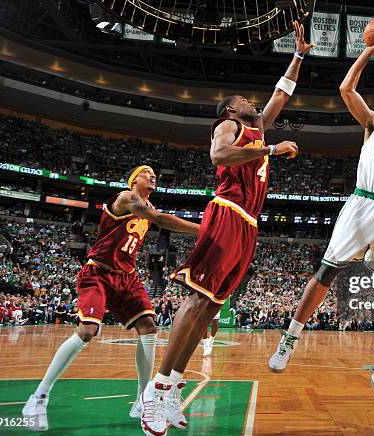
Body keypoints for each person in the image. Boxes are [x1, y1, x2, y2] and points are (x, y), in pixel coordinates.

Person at [139, 20, 313, 436]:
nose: (254, 101)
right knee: (197, 301)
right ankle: (155, 391)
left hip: (249, 225)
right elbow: (219, 156)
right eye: (244, 99)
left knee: (212, 308)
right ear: (232, 109)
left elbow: (279, 94)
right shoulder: (229, 127)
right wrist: (269, 148)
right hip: (227, 211)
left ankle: (173, 385)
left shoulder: (256, 127)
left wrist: (299, 54)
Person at [268, 19, 374, 411]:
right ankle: (290, 338)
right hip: (362, 203)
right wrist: (369, 52)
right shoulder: (372, 125)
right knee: (327, 272)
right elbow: (346, 89)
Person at [22, 165, 200, 432]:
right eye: (146, 172)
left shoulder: (147, 208)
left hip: (126, 277)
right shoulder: (126, 198)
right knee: (87, 331)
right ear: (133, 180)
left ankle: (142, 398)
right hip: (98, 273)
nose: (152, 176)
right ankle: (39, 397)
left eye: (155, 174)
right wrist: (204, 229)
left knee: (149, 327)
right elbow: (159, 217)